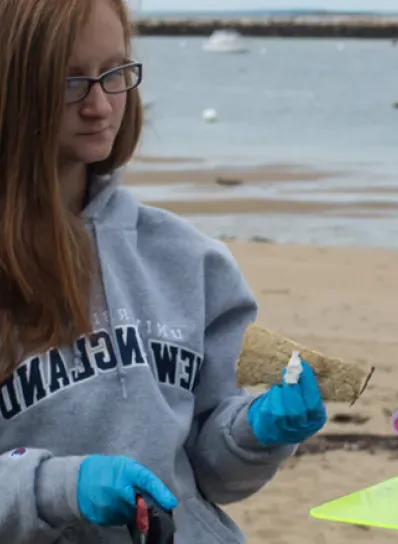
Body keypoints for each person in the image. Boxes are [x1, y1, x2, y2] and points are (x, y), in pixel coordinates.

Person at [0, 0, 327, 541]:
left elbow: (213, 474)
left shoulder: (189, 259)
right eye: (70, 81)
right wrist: (56, 487)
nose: (101, 105)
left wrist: (255, 430)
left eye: (115, 73)